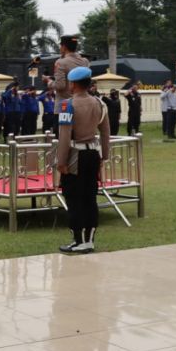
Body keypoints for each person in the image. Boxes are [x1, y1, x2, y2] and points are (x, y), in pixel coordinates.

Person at [57, 66, 110, 255]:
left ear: (73, 84)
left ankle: (78, 241)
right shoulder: (99, 103)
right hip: (93, 155)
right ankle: (89, 241)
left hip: (75, 156)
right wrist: (105, 156)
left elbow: (65, 136)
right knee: (90, 197)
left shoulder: (67, 105)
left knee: (73, 198)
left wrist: (61, 161)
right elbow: (105, 132)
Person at [44, 35, 90, 113]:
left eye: (60, 46)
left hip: (64, 107)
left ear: (64, 47)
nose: (60, 48)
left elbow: (60, 86)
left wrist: (49, 81)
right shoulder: (85, 61)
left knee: (63, 126)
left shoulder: (60, 62)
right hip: (82, 106)